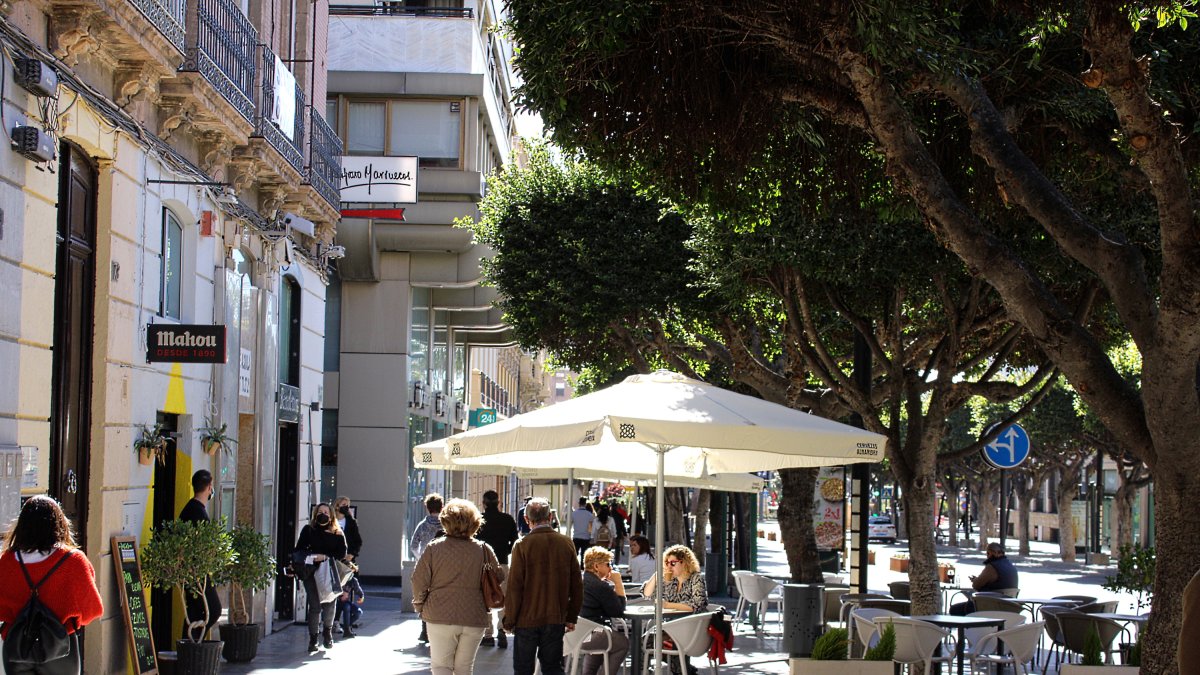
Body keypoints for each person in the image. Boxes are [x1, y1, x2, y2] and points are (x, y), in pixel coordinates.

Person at [0, 496, 103, 675]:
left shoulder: (7, 561)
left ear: (22, 526)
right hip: (60, 647)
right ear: (59, 524)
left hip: (17, 647)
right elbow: (92, 610)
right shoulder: (74, 561)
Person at [412, 499, 504, 675]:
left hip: (439, 613)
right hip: (474, 614)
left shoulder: (433, 548)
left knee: (441, 666)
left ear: (445, 521)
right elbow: (498, 576)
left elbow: (418, 579)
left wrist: (419, 605)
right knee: (464, 668)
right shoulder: (484, 549)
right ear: (475, 523)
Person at [504, 497, 583, 675]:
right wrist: (571, 616)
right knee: (552, 668)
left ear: (527, 519)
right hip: (555, 617)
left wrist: (509, 620)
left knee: (523, 669)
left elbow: (515, 587)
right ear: (550, 517)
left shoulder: (522, 545)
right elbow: (577, 584)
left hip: (526, 618)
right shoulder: (566, 543)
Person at [295, 503, 348, 652]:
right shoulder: (309, 530)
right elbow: (299, 549)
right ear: (315, 515)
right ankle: (313, 639)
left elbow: (341, 554)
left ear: (331, 516)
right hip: (310, 571)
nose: (322, 514)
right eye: (319, 512)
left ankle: (327, 633)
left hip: (329, 572)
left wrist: (325, 557)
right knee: (315, 605)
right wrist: (312, 557)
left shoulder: (337, 533)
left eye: (325, 512)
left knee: (330, 603)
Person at [179, 469, 221, 640]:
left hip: (193, 572)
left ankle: (191, 643)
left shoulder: (192, 509)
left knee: (196, 612)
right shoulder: (197, 512)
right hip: (196, 573)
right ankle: (192, 642)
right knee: (213, 609)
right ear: (209, 487)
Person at [476, 489, 519, 649]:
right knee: (503, 597)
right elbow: (515, 541)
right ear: (498, 502)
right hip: (502, 563)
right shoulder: (507, 519)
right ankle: (502, 629)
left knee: (484, 598)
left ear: (484, 503)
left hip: (483, 565)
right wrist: (504, 551)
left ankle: (488, 634)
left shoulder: (478, 520)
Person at [579, 547, 629, 675]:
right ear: (596, 566)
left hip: (572, 635)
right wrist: (618, 582)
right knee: (622, 643)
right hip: (591, 635)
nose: (610, 568)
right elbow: (618, 611)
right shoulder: (600, 586)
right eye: (608, 564)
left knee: (602, 637)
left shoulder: (578, 581)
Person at [949, 541, 1019, 615]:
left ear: (995, 553)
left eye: (988, 553)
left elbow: (976, 585)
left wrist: (975, 580)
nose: (988, 556)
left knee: (954, 609)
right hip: (1009, 607)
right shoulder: (1011, 566)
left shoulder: (992, 567)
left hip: (989, 606)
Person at [411, 493, 445, 644]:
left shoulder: (422, 525)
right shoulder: (446, 525)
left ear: (427, 508)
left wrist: (421, 558)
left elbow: (413, 545)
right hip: (443, 565)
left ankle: (424, 629)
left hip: (425, 566)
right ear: (442, 507)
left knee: (424, 596)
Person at [640, 544, 708, 613]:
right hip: (671, 618)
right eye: (667, 563)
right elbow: (647, 594)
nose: (669, 566)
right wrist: (657, 574)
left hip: (692, 619)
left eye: (673, 563)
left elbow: (697, 605)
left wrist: (667, 605)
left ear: (684, 563)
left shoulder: (696, 578)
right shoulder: (670, 579)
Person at [337, 565, 365, 638]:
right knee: (347, 607)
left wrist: (361, 596)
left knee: (358, 612)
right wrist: (341, 594)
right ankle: (347, 630)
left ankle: (347, 626)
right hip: (337, 601)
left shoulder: (353, 580)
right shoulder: (338, 578)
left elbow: (358, 590)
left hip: (347, 602)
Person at [333, 496, 363, 562]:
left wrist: (352, 554)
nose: (346, 507)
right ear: (337, 506)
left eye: (347, 505)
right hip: (332, 557)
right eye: (344, 504)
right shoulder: (330, 521)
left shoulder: (351, 522)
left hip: (347, 558)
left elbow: (358, 541)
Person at [570, 497, 595, 565]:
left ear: (579, 504)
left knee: (575, 554)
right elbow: (591, 527)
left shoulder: (574, 514)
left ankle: (575, 566)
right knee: (584, 555)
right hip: (586, 537)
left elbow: (570, 525)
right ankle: (582, 566)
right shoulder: (590, 515)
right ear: (585, 504)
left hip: (576, 536)